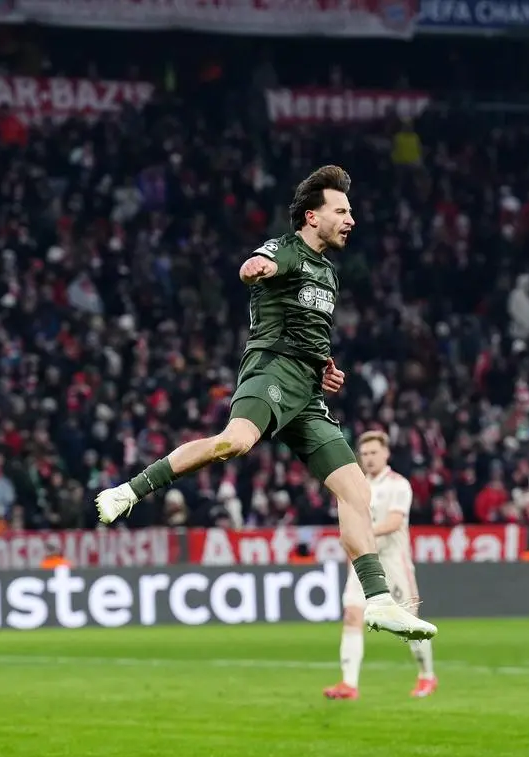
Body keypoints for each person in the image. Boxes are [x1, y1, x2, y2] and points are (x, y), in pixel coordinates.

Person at [94, 165, 436, 642]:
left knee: (358, 492)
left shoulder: (329, 274)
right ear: (312, 217)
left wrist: (325, 366)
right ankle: (129, 491)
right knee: (234, 444)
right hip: (271, 372)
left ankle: (378, 602)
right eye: (342, 211)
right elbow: (260, 263)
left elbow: (309, 329)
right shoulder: (288, 250)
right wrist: (255, 267)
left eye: (351, 211)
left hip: (307, 393)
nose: (351, 218)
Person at [325, 431, 436, 700]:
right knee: (352, 615)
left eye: (374, 453)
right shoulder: (356, 485)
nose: (369, 458)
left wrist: (362, 532)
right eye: (364, 454)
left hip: (393, 563)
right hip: (363, 561)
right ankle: (349, 684)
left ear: (386, 454)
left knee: (409, 625)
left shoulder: (399, 485)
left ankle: (426, 675)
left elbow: (394, 523)